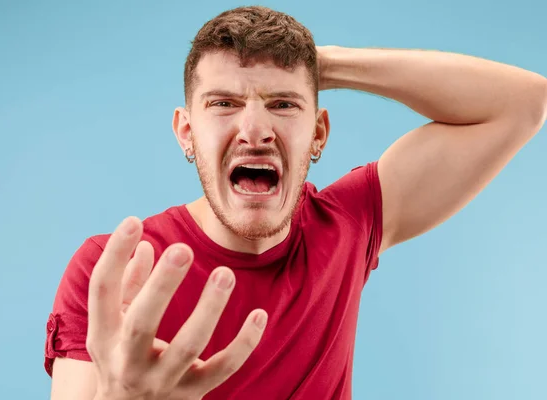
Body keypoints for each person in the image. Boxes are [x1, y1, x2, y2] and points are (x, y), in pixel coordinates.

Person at [45, 5, 547, 400]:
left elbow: (521, 102)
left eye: (284, 104)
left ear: (318, 134)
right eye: (224, 103)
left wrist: (321, 64)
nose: (256, 130)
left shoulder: (347, 225)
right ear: (186, 132)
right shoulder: (112, 271)